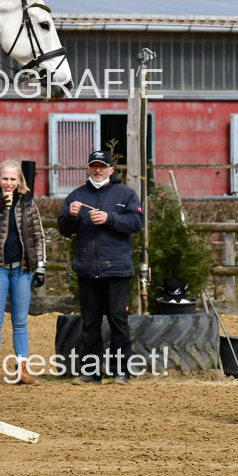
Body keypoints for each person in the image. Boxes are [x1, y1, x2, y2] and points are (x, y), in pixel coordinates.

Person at [57, 150, 145, 385]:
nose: (98, 170)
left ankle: (121, 372)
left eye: (102, 166)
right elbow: (64, 229)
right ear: (88, 169)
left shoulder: (125, 194)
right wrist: (72, 216)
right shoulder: (76, 195)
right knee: (90, 322)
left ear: (111, 170)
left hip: (116, 269)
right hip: (87, 269)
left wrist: (110, 219)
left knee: (118, 321)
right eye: (94, 166)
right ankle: (91, 372)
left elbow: (137, 222)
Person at [0, 159, 46, 385]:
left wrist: (40, 267)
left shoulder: (28, 203)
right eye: (5, 178)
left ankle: (22, 369)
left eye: (13, 179)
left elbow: (38, 237)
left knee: (20, 321)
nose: (9, 183)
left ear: (20, 181)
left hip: (22, 268)